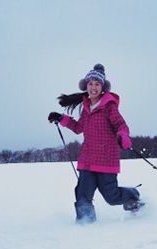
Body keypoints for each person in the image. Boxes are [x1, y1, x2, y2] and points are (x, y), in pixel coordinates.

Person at [48, 63, 144, 224]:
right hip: (87, 159)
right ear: (86, 86)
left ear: (103, 87)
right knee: (82, 194)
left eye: (97, 84)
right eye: (90, 84)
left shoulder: (109, 105)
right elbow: (79, 127)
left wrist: (123, 135)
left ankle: (133, 197)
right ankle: (86, 223)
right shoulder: (86, 108)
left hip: (106, 158)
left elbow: (121, 125)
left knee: (112, 198)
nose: (93, 87)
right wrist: (61, 118)